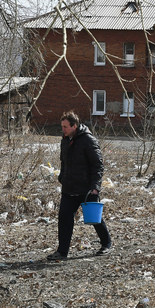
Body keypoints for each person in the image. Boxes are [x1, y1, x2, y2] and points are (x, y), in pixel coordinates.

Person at [47, 111, 112, 260]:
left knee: (95, 219)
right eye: (61, 126)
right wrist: (62, 176)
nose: (62, 130)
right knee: (64, 220)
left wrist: (96, 186)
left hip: (87, 188)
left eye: (65, 127)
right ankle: (62, 252)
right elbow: (63, 162)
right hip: (69, 188)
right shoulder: (64, 140)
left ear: (74, 126)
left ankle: (106, 243)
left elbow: (98, 165)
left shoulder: (88, 140)